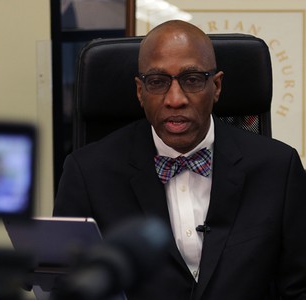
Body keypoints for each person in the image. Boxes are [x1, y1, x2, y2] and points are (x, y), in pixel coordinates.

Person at [53, 20, 306, 300]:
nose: (175, 99)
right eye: (158, 82)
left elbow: (298, 288)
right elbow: (68, 290)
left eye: (193, 79)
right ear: (140, 91)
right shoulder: (88, 172)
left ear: (217, 86)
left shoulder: (278, 168)